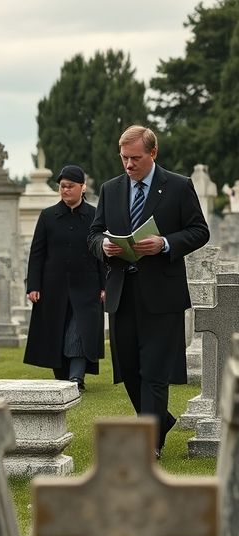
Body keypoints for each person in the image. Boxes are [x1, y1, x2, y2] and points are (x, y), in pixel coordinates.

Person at [88, 125, 209, 458]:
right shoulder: (110, 189)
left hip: (162, 294)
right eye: (124, 158)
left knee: (154, 371)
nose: (128, 165)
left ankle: (150, 443)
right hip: (122, 292)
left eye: (135, 158)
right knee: (128, 370)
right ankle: (159, 420)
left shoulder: (179, 186)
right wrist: (104, 246)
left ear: (153, 153)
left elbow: (200, 231)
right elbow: (94, 234)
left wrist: (166, 243)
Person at [24, 165, 105, 391]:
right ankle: (64, 378)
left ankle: (76, 379)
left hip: (87, 286)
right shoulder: (48, 216)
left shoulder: (95, 215)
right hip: (53, 287)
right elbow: (37, 253)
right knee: (56, 332)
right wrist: (33, 285)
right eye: (62, 186)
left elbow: (102, 253)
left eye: (70, 186)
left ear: (83, 187)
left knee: (79, 331)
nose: (65, 190)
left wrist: (104, 285)